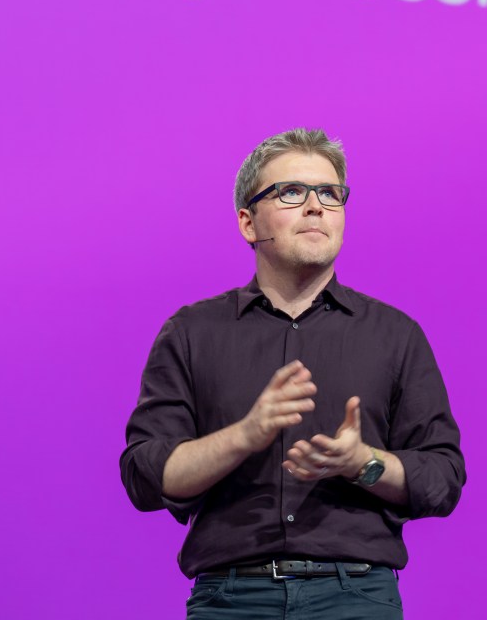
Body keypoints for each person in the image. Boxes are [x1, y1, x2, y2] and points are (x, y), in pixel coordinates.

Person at [120, 128, 465, 619]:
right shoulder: (191, 333)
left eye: (330, 194)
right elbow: (145, 475)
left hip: (355, 596)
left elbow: (443, 476)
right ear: (248, 222)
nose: (316, 207)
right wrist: (245, 435)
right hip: (231, 599)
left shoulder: (395, 335)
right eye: (292, 192)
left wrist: (363, 462)